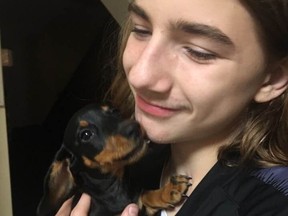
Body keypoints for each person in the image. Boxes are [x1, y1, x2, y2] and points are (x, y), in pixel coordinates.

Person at [56, 0, 288, 215]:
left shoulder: (271, 203)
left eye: (199, 52)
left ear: (271, 79)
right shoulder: (129, 160)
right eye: (141, 30)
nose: (139, 75)